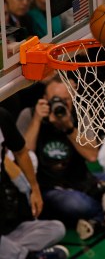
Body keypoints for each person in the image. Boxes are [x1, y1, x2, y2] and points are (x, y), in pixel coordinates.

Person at [16, 75, 105, 239]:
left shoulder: (79, 116)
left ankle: (98, 221)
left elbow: (92, 156)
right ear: (44, 99)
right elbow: (24, 155)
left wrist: (69, 128)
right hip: (50, 187)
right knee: (76, 205)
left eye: (66, 100)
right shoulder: (28, 115)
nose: (60, 104)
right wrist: (37, 120)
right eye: (55, 100)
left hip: (82, 180)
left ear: (72, 99)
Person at [0, 107, 69, 259]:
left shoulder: (2, 116)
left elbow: (21, 152)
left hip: (8, 230)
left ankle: (13, 253)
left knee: (56, 228)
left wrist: (35, 189)